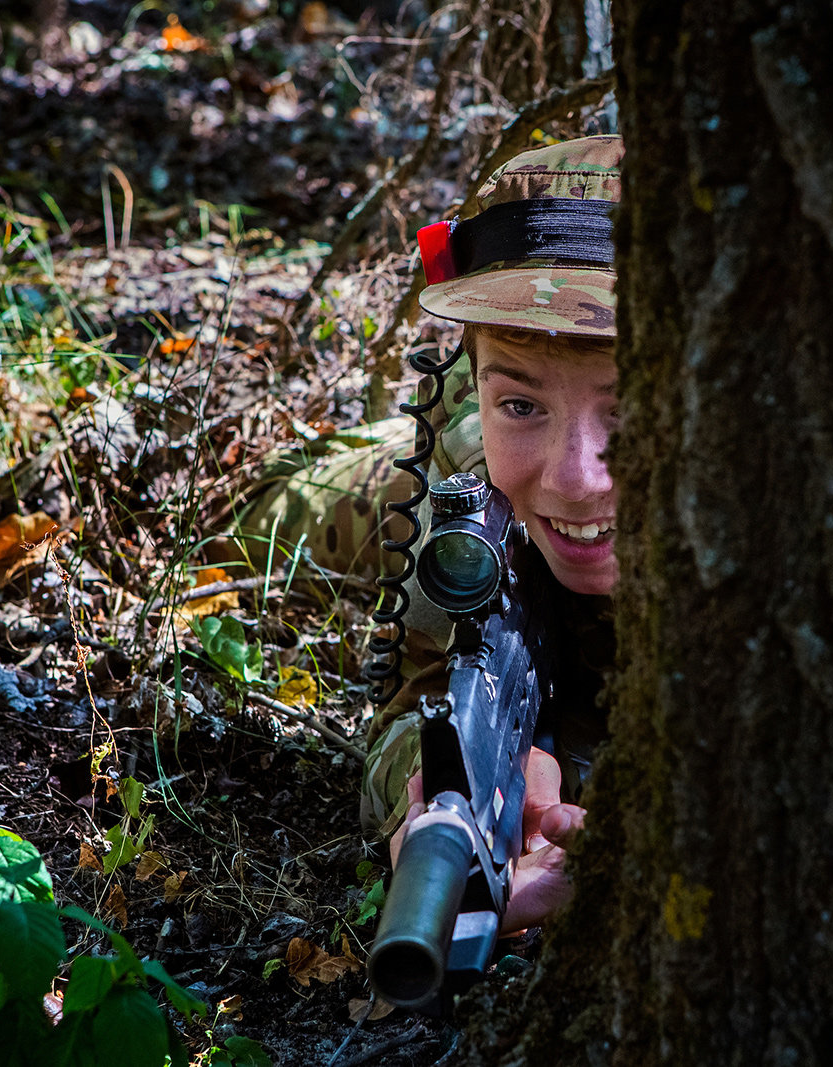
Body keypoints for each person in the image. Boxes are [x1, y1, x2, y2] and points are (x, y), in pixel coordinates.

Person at [230, 135, 624, 931]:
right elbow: (418, 696)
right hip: (465, 488)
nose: (576, 475)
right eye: (521, 402)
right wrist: (435, 786)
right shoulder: (472, 501)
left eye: (635, 406)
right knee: (270, 517)